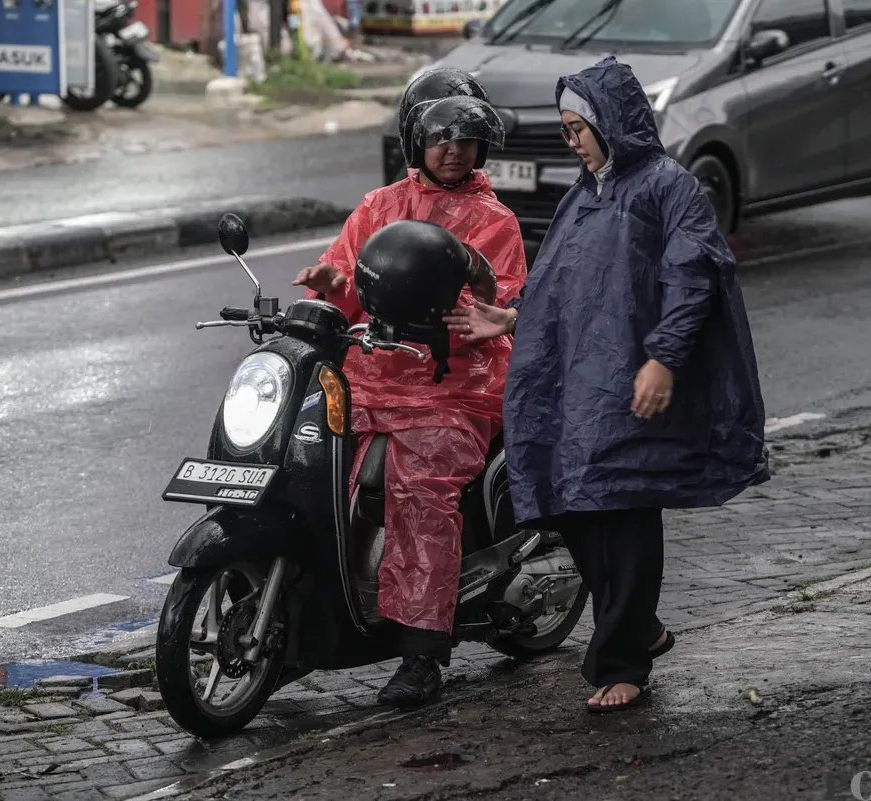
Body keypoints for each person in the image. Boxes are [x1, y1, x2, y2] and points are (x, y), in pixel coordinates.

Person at [445, 57, 768, 712]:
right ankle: (640, 625)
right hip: (577, 385)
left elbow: (696, 273)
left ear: (612, 123)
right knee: (568, 500)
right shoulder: (584, 193)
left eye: (578, 128)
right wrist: (508, 317)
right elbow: (562, 283)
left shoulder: (666, 188)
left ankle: (622, 659)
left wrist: (663, 359)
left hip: (631, 380)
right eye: (564, 129)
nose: (571, 141)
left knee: (621, 506)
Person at [293, 69, 528, 709]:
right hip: (368, 375)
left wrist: (480, 311)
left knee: (418, 491)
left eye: (466, 137)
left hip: (452, 386)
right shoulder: (377, 207)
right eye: (439, 136)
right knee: (306, 467)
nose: (453, 148)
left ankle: (424, 652)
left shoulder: (494, 220)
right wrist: (328, 283)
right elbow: (350, 278)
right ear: (413, 139)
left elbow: (495, 297)